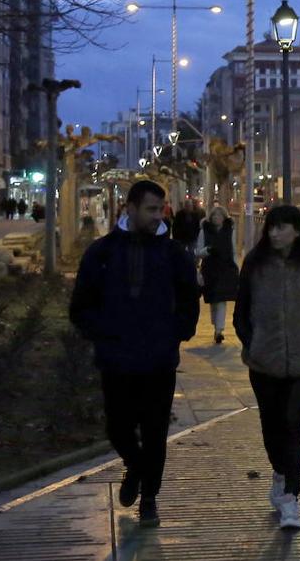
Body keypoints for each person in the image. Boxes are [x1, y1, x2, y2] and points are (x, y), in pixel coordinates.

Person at [69, 180, 199, 528]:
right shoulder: (103, 253)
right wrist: (103, 334)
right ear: (130, 208)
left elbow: (189, 298)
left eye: (161, 209)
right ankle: (136, 467)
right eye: (150, 209)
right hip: (117, 360)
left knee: (155, 430)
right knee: (118, 428)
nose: (158, 216)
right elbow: (81, 305)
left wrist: (177, 333)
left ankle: (150, 499)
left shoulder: (174, 255)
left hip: (158, 360)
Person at [233, 205, 300, 532]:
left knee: (293, 423)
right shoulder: (255, 263)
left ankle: (291, 499)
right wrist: (253, 343)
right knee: (271, 425)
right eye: (271, 227)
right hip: (265, 361)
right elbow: (241, 313)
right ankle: (279, 472)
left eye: (282, 227)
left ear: (298, 230)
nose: (274, 233)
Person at [194, 205, 237, 344]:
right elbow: (198, 251)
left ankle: (219, 330)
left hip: (225, 268)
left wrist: (235, 267)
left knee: (221, 299)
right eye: (214, 216)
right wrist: (208, 250)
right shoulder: (204, 232)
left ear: (224, 218)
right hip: (210, 269)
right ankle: (216, 326)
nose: (216, 218)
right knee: (213, 299)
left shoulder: (230, 231)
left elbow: (233, 250)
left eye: (219, 216)